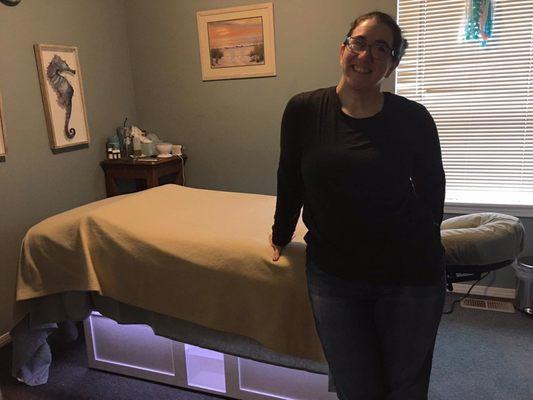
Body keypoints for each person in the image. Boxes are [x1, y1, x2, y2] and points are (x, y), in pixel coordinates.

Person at [270, 11, 446, 400]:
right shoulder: (303, 110)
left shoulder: (413, 119)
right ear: (343, 49)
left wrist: (423, 237)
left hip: (410, 276)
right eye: (360, 43)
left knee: (405, 388)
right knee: (356, 388)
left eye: (382, 48)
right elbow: (290, 178)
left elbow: (433, 188)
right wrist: (281, 233)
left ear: (393, 63)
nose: (366, 55)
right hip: (335, 277)